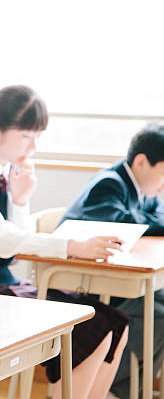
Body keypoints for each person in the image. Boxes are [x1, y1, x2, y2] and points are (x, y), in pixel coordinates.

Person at [0, 85, 129, 399]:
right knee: (92, 326)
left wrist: (19, 201)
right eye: (26, 136)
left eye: (37, 137)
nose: (33, 146)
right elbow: (6, 242)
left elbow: (13, 254)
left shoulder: (2, 171)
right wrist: (73, 247)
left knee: (113, 323)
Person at [61, 121, 164, 398]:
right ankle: (110, 388)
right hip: (85, 284)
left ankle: (127, 389)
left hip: (117, 279)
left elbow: (154, 220)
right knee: (157, 314)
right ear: (142, 162)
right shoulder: (110, 183)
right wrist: (144, 222)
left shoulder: (144, 191)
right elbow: (121, 225)